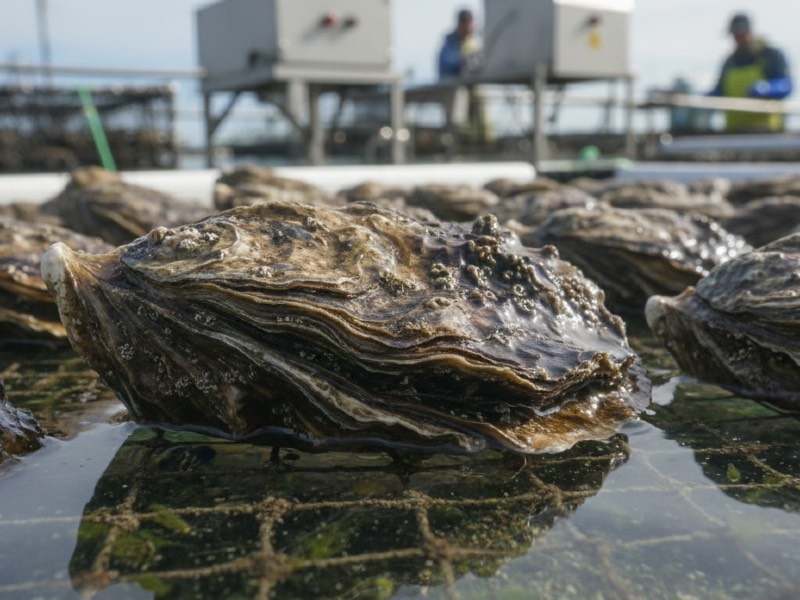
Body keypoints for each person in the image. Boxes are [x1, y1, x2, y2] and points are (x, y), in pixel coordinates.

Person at [708, 13, 793, 132]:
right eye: (735, 35)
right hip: (732, 134)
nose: (738, 39)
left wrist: (766, 88)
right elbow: (719, 91)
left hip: (767, 134)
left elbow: (786, 85)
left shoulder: (770, 55)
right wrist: (698, 99)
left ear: (750, 31)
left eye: (741, 34)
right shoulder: (729, 62)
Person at [437, 8, 482, 79]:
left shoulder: (475, 42)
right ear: (460, 24)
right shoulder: (450, 45)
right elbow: (448, 66)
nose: (469, 27)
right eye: (466, 23)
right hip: (454, 87)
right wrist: (465, 62)